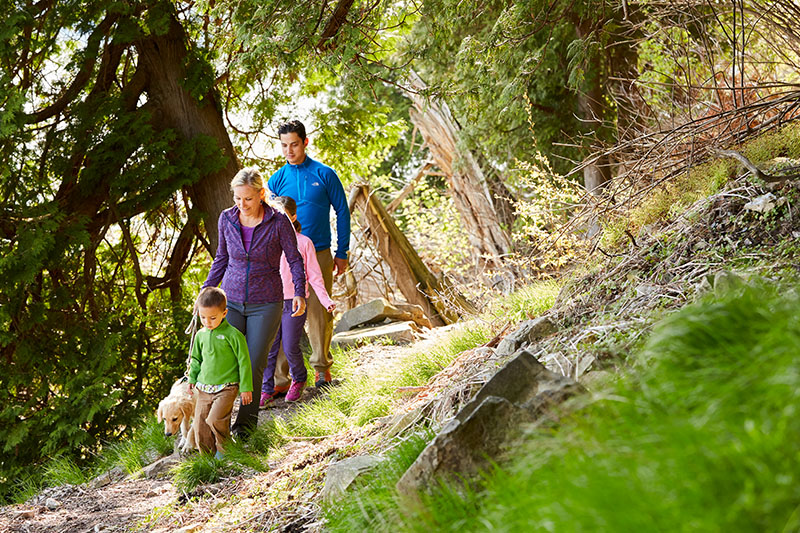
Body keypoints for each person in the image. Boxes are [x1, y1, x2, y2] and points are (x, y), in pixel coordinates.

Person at [203, 167, 307, 437]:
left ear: (261, 194)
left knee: (254, 361)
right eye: (237, 198)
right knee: (229, 363)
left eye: (248, 199)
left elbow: (294, 258)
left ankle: (245, 428)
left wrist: (299, 291)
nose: (242, 205)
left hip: (267, 302)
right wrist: (206, 291)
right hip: (232, 300)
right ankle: (219, 424)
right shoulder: (226, 219)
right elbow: (221, 258)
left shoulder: (278, 221)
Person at [268, 120, 350, 390]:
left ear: (305, 142)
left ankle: (321, 369)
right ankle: (281, 379)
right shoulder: (276, 180)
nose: (289, 151)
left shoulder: (325, 174)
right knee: (281, 315)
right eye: (284, 146)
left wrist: (342, 251)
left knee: (318, 312)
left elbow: (343, 211)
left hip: (320, 253)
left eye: (293, 144)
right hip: (285, 258)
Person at [261, 196, 336, 406]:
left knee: (291, 344)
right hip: (271, 303)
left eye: (283, 216)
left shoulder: (304, 243)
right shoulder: (268, 240)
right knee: (270, 347)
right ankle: (266, 389)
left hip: (295, 302)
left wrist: (325, 299)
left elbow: (314, 276)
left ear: (293, 217)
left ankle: (299, 378)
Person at [188, 287, 252, 458]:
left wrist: (246, 387)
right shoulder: (201, 335)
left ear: (224, 313)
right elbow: (195, 359)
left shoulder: (233, 335)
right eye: (203, 317)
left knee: (215, 420)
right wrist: (192, 379)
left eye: (212, 318)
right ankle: (208, 460)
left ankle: (226, 451)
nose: (207, 322)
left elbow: (244, 361)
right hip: (203, 388)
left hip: (227, 387)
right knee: (200, 425)